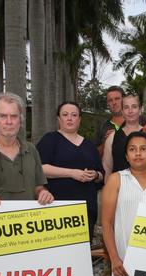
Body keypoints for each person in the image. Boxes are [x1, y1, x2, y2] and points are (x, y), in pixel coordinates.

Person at [101, 131, 146, 276]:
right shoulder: (116, 180)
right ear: (126, 156)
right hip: (123, 261)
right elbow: (106, 223)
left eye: (143, 149)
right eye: (132, 149)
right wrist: (114, 258)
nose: (138, 153)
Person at [36, 101, 104, 241]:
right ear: (58, 119)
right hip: (57, 208)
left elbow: (101, 173)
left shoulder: (89, 145)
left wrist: (95, 175)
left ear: (79, 119)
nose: (69, 118)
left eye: (74, 115)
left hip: (86, 210)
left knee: (82, 253)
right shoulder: (50, 140)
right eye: (65, 115)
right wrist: (72, 173)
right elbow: (40, 168)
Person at [102, 94, 146, 179]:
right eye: (126, 107)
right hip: (120, 189)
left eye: (134, 107)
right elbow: (107, 169)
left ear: (140, 110)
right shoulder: (112, 137)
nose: (130, 111)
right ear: (122, 111)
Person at [93, 86, 146, 155]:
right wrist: (106, 143)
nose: (114, 102)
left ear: (123, 99)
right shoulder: (102, 126)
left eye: (117, 98)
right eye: (110, 100)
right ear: (108, 104)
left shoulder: (140, 119)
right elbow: (94, 154)